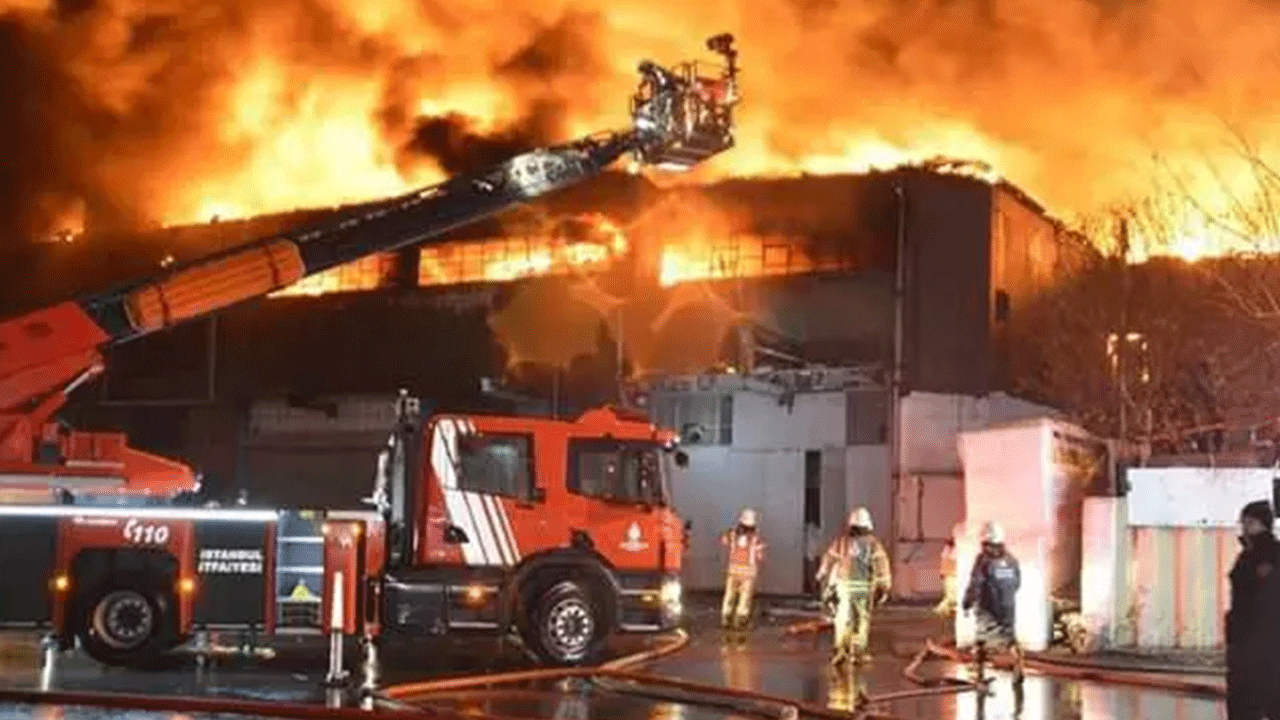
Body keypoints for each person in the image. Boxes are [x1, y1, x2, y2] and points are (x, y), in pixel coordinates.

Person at [1226, 500, 1280, 720]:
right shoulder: (1253, 554)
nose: (1244, 527)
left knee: (1246, 701)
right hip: (1260, 641)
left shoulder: (1260, 556)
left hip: (1255, 642)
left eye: (1249, 522)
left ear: (1259, 523)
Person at [817, 507, 891, 666]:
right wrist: (884, 587)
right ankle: (857, 654)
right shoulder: (873, 544)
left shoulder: (841, 542)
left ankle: (840, 651)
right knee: (861, 621)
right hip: (863, 589)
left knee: (842, 619)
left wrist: (822, 574)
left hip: (844, 587)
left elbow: (829, 559)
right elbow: (881, 566)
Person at [961, 521, 1025, 683]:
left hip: (988, 608)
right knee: (1009, 639)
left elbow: (976, 584)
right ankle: (1017, 663)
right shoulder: (1011, 560)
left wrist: (967, 602)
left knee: (981, 639)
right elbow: (1017, 583)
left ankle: (979, 672)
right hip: (1008, 609)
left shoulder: (983, 561)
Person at [721, 508, 765, 630]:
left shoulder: (732, 534)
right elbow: (760, 556)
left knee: (729, 596)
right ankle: (741, 621)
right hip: (748, 572)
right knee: (744, 598)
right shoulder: (756, 538)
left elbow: (724, 541)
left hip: (733, 570)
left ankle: (726, 618)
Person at [933, 532, 958, 617]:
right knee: (950, 594)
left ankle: (946, 609)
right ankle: (943, 609)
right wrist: (942, 572)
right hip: (949, 574)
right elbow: (946, 561)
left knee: (952, 594)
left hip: (954, 574)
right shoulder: (947, 550)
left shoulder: (955, 550)